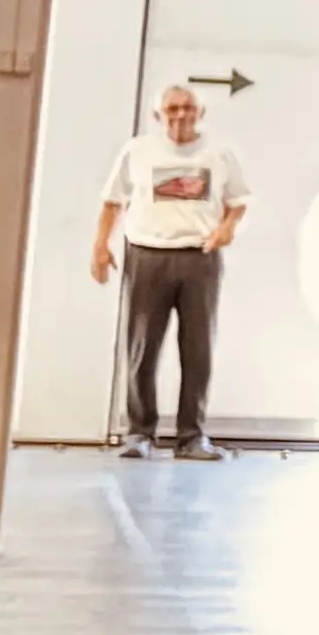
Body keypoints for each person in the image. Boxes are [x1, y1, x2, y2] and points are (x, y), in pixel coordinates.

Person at [88, 82, 242, 461]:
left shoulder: (218, 154)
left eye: (187, 108)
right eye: (171, 109)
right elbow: (112, 202)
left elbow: (237, 201)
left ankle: (191, 435)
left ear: (200, 114)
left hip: (198, 258)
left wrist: (226, 229)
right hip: (147, 255)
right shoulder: (137, 151)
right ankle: (139, 432)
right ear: (158, 116)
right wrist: (100, 246)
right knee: (142, 347)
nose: (180, 115)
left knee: (198, 350)